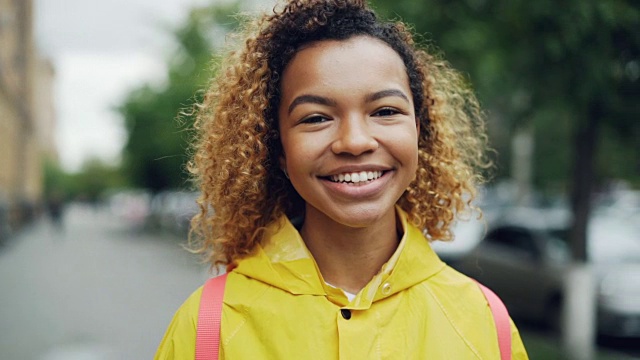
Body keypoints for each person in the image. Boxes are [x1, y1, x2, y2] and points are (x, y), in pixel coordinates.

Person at [155, 0, 529, 358]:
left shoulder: (484, 323)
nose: (355, 141)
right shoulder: (208, 327)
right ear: (278, 147)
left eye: (384, 111)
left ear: (419, 130)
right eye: (316, 117)